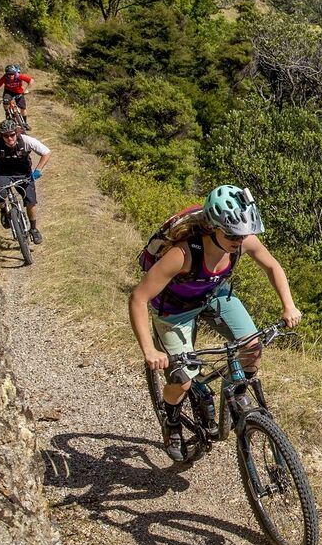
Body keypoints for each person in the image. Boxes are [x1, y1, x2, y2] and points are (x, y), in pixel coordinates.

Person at [128, 185, 302, 461]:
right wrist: (149, 350)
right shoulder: (182, 254)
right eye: (232, 234)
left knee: (252, 346)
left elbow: (272, 266)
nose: (239, 240)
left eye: (243, 234)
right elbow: (138, 298)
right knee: (183, 380)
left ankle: (239, 393)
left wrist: (288, 304)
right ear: (212, 226)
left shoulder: (242, 240)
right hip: (174, 310)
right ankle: (171, 421)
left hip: (213, 294)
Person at [0, 119, 50, 244]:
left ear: (16, 133)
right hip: (4, 173)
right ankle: (4, 210)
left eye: (12, 135)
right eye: (5, 136)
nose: (9, 138)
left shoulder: (26, 141)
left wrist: (38, 170)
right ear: (1, 135)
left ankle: (33, 229)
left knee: (30, 201)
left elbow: (46, 152)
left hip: (24, 174)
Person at [0, 64, 34, 130]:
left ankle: (25, 123)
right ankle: (7, 112)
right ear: (6, 74)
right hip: (8, 92)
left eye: (12, 74)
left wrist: (27, 89)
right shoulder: (4, 78)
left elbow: (31, 80)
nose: (11, 76)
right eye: (9, 74)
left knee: (23, 108)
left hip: (18, 92)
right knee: (5, 102)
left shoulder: (19, 76)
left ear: (15, 73)